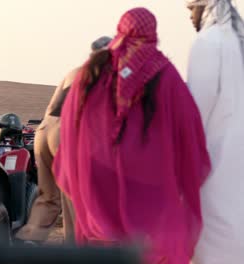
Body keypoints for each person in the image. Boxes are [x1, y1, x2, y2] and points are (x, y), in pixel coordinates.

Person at [53, 7, 211, 263]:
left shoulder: (92, 71)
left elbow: (72, 124)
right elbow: (188, 126)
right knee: (150, 245)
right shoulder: (165, 73)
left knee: (104, 239)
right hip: (149, 180)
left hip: (100, 174)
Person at [15, 36, 112, 245]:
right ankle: (77, 251)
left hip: (44, 132)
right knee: (79, 200)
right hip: (67, 134)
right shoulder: (105, 73)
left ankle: (28, 242)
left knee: (48, 198)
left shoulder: (73, 72)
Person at [186, 1, 244, 263]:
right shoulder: (237, 43)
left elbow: (195, 115)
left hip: (215, 167)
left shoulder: (207, 43)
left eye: (192, 9)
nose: (190, 16)